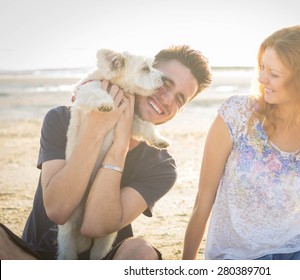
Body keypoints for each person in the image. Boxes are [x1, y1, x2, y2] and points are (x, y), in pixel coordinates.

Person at [0, 45, 212, 260]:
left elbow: (95, 226)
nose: (167, 100)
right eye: (164, 83)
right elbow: (58, 210)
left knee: (143, 252)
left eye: (179, 99)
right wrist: (95, 130)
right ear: (141, 72)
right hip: (34, 258)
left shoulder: (161, 166)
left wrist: (120, 143)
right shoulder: (61, 119)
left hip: (105, 261)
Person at [182, 25, 300, 260]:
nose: (261, 78)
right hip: (234, 256)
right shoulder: (236, 115)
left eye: (274, 74)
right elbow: (203, 200)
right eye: (261, 68)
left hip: (296, 250)